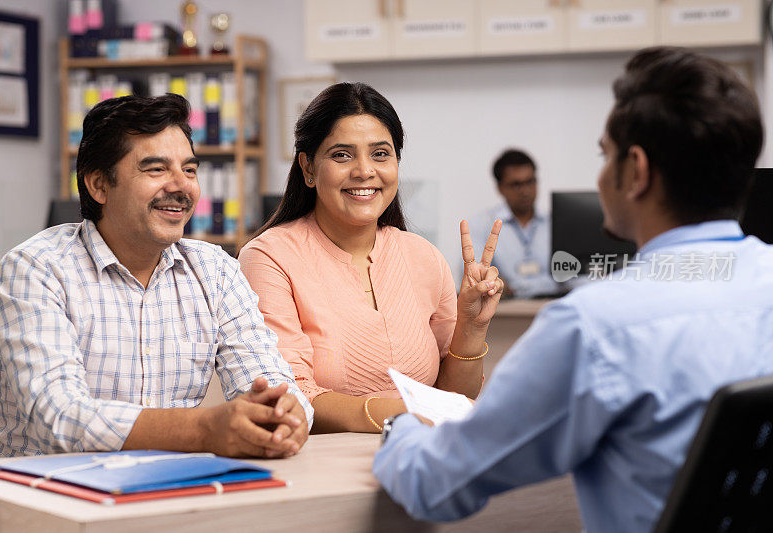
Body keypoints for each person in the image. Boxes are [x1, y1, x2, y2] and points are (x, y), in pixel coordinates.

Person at [373, 46, 770, 532]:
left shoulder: (596, 326)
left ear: (637, 171)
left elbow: (436, 485)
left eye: (605, 156)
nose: (601, 175)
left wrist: (401, 429)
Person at [0, 94, 312, 458]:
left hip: (168, 491)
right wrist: (204, 430)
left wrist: (286, 411)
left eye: (189, 170)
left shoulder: (215, 270)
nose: (181, 186)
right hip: (44, 496)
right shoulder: (35, 268)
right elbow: (61, 419)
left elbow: (270, 377)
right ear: (98, 185)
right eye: (156, 169)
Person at [239, 82, 504, 433]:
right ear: (308, 168)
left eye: (380, 154)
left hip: (420, 458)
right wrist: (401, 416)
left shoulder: (423, 256)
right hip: (321, 467)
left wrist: (472, 326)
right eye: (342, 155)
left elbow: (452, 397)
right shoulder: (268, 258)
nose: (365, 171)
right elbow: (291, 395)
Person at [468, 149, 558, 298]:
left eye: (530, 182)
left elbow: (571, 275)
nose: (525, 191)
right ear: (500, 188)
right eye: (516, 184)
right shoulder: (482, 225)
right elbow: (477, 277)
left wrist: (513, 287)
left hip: (551, 305)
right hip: (504, 312)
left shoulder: (555, 222)